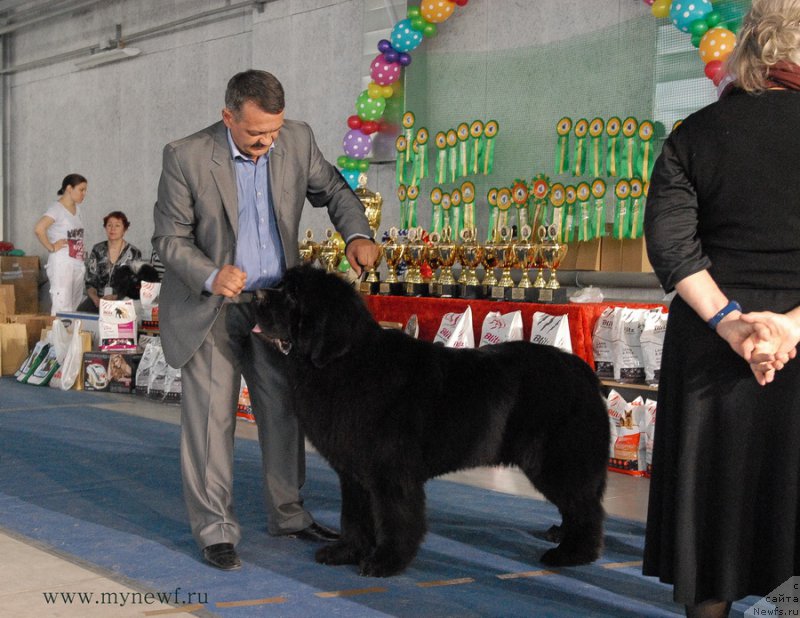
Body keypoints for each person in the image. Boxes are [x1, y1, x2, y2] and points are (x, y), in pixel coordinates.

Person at [152, 69, 379, 571]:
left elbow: (335, 190)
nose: (267, 141)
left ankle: (289, 514)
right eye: (256, 133)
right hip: (211, 306)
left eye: (273, 130)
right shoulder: (185, 156)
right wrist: (211, 274)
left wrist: (357, 234)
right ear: (227, 116)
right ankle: (215, 530)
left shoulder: (296, 139)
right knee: (211, 422)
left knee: (284, 411)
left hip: (276, 308)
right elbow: (168, 239)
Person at [642, 1, 800, 615]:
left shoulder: (693, 134)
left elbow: (671, 245)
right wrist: (789, 328)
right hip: (793, 347)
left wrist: (731, 324)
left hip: (711, 349)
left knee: (711, 511)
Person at [34, 174, 89, 315]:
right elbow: (39, 229)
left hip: (77, 263)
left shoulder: (78, 210)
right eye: (81, 190)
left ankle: (70, 330)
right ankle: (58, 330)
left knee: (74, 306)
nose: (84, 193)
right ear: (69, 188)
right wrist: (52, 247)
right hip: (62, 263)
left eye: (85, 190)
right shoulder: (56, 209)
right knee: (62, 305)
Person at [76, 211, 142, 312]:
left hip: (122, 300)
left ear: (124, 229)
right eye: (109, 225)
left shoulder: (134, 253)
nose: (112, 229)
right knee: (81, 313)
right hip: (99, 300)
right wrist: (95, 299)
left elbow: (135, 286)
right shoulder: (97, 249)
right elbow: (90, 282)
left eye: (117, 225)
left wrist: (115, 297)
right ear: (105, 228)